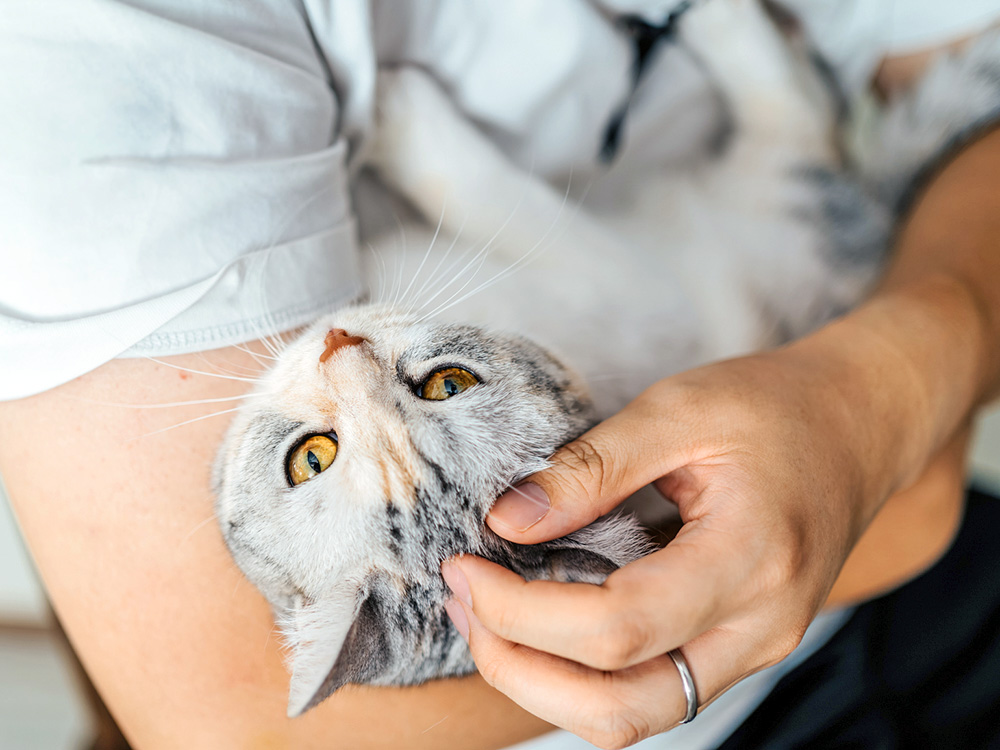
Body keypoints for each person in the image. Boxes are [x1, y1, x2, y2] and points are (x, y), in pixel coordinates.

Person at [1, 2, 999, 748]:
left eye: (314, 449)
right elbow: (227, 717)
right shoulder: (103, 41)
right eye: (429, 391)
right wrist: (896, 484)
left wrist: (910, 384)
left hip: (896, 543)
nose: (343, 364)